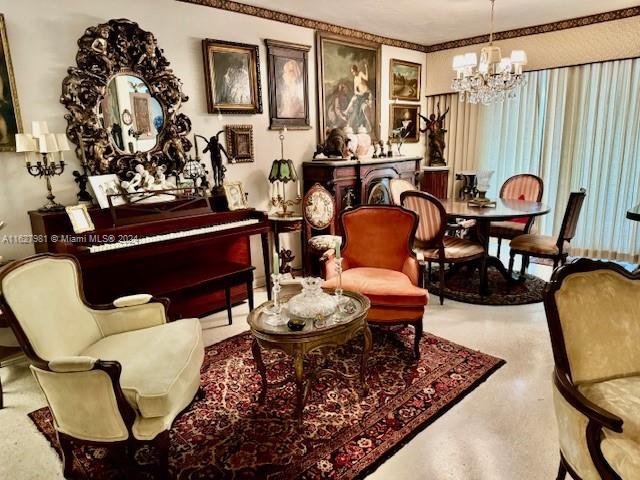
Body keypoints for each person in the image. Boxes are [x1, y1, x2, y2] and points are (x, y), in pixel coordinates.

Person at [343, 62, 373, 131]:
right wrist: (358, 93)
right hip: (361, 95)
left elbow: (367, 78)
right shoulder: (355, 79)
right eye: (352, 72)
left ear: (356, 70)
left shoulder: (360, 74)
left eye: (353, 71)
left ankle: (347, 111)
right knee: (355, 103)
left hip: (366, 93)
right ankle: (347, 112)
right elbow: (355, 90)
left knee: (361, 108)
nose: (352, 73)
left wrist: (366, 68)